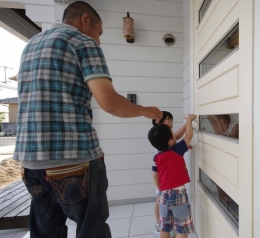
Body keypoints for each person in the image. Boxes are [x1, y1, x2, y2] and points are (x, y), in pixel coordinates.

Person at [13, 2, 162, 238]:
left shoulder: (31, 45)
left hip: (31, 163)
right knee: (91, 231)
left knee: (45, 233)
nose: (99, 40)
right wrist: (146, 111)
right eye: (99, 32)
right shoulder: (82, 42)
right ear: (85, 20)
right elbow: (110, 102)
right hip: (74, 160)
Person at [148, 114, 196, 238]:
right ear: (170, 140)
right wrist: (189, 121)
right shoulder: (177, 150)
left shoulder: (156, 157)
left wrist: (160, 189)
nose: (175, 136)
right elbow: (189, 136)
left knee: (165, 226)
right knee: (182, 228)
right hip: (178, 195)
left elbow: (154, 175)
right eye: (172, 134)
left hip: (163, 196)